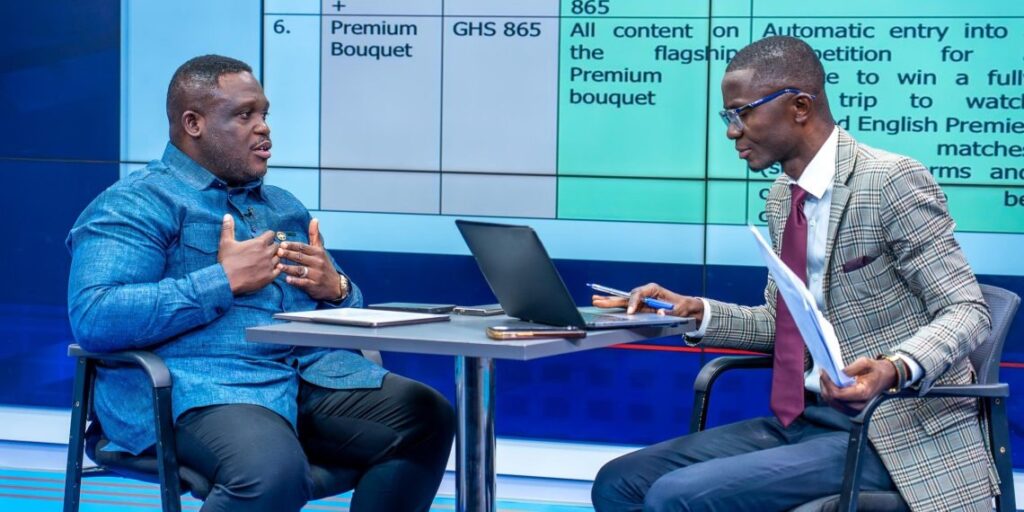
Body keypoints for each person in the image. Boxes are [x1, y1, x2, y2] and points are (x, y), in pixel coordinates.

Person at [590, 36, 996, 511]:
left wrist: (892, 367)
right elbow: (782, 326)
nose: (732, 132)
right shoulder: (785, 196)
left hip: (894, 432)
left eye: (742, 113)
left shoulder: (890, 181)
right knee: (619, 482)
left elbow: (967, 310)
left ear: (800, 106)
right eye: (728, 117)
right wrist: (695, 312)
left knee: (675, 496)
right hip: (808, 421)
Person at [66, 55, 455, 512]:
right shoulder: (136, 203)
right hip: (202, 388)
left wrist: (337, 289)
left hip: (306, 375)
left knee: (425, 415)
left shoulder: (282, 206)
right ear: (193, 123)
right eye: (244, 115)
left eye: (264, 113)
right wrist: (222, 281)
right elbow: (95, 316)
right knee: (270, 472)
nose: (263, 128)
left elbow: (337, 305)